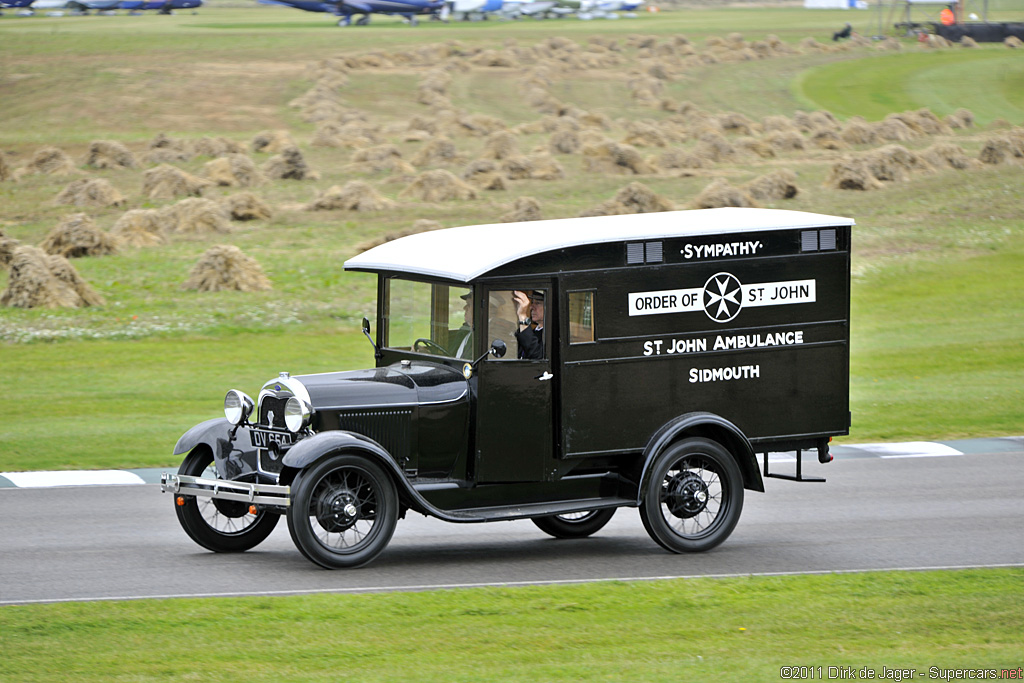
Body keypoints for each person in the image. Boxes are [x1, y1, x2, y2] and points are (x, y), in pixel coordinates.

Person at [513, 290, 545, 360]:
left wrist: (522, 316)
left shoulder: (551, 335)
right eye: (532, 302)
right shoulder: (532, 332)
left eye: (538, 303)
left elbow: (537, 357)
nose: (531, 307)